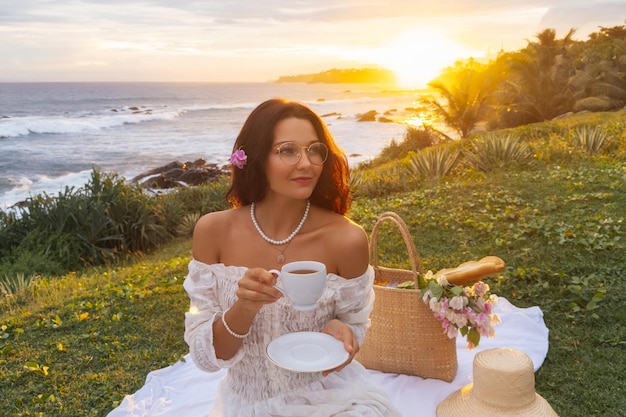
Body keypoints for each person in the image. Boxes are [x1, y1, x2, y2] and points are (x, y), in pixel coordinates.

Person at [184, 98, 401, 416]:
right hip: (248, 404)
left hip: (333, 399)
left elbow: (354, 323)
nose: (307, 163)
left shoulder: (347, 239)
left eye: (315, 150)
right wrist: (244, 306)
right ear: (257, 159)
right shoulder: (213, 231)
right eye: (288, 150)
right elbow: (205, 357)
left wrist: (345, 335)